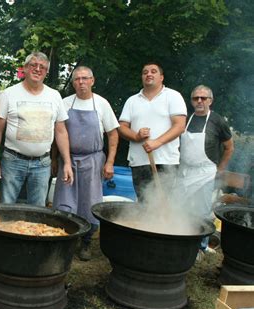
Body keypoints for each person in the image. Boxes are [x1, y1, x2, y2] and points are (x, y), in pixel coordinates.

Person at [52, 66, 119, 261]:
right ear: (73, 83)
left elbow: (113, 134)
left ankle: (86, 242)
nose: (81, 82)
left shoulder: (101, 104)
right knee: (65, 202)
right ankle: (65, 241)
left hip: (93, 159)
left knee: (90, 202)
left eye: (85, 78)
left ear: (92, 81)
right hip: (67, 159)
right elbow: (58, 133)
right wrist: (55, 159)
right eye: (77, 79)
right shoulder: (64, 103)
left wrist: (110, 162)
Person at [0, 52, 73, 206]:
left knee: (38, 211)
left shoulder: (54, 96)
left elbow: (61, 131)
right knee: (6, 207)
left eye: (42, 67)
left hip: (42, 164)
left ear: (46, 71)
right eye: (33, 65)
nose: (37, 69)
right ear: (25, 68)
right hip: (12, 161)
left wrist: (67, 162)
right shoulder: (8, 94)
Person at [177, 85, 234, 256]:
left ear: (210, 100)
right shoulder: (186, 119)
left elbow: (229, 148)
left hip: (205, 173)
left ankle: (200, 247)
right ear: (192, 100)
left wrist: (220, 169)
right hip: (185, 171)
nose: (199, 101)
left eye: (203, 98)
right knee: (180, 207)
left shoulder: (217, 121)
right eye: (196, 98)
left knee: (201, 212)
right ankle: (180, 241)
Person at [118, 62, 187, 200]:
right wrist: (136, 136)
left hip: (166, 160)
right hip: (139, 161)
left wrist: (157, 142)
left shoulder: (173, 96)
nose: (149, 74)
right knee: (143, 204)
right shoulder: (132, 101)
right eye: (145, 72)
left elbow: (179, 126)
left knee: (164, 204)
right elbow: (121, 127)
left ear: (161, 77)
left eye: (153, 71)